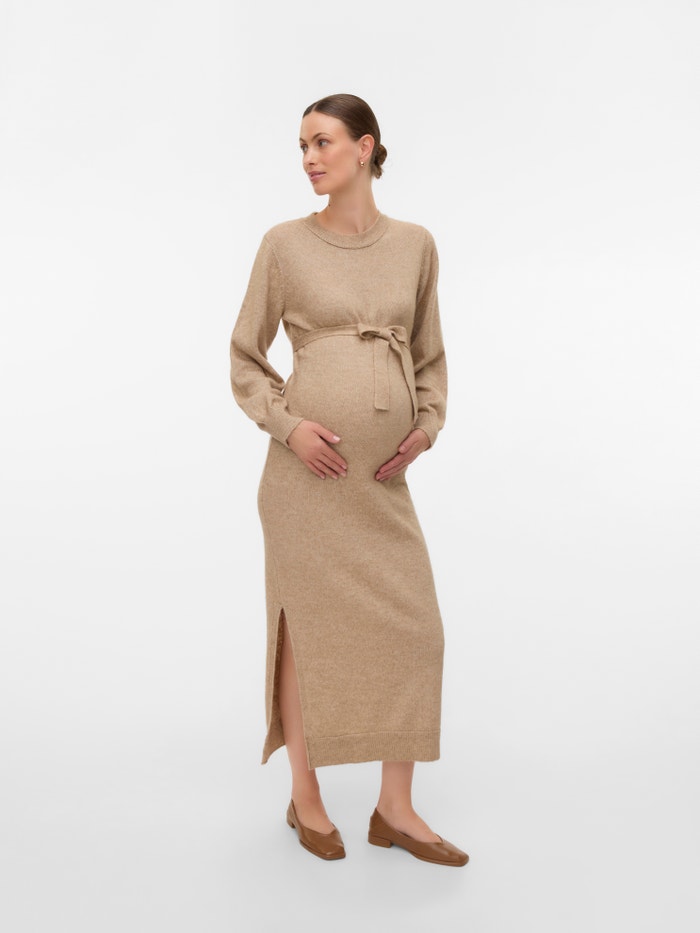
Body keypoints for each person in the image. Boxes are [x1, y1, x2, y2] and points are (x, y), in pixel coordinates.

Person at [229, 93, 468, 867]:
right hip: (304, 484)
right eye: (302, 145)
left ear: (366, 147)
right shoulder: (283, 245)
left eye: (322, 142)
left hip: (380, 482)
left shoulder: (416, 246)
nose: (308, 158)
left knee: (417, 628)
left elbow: (430, 355)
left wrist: (426, 425)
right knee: (306, 631)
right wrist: (289, 426)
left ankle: (395, 807)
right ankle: (305, 794)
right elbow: (245, 356)